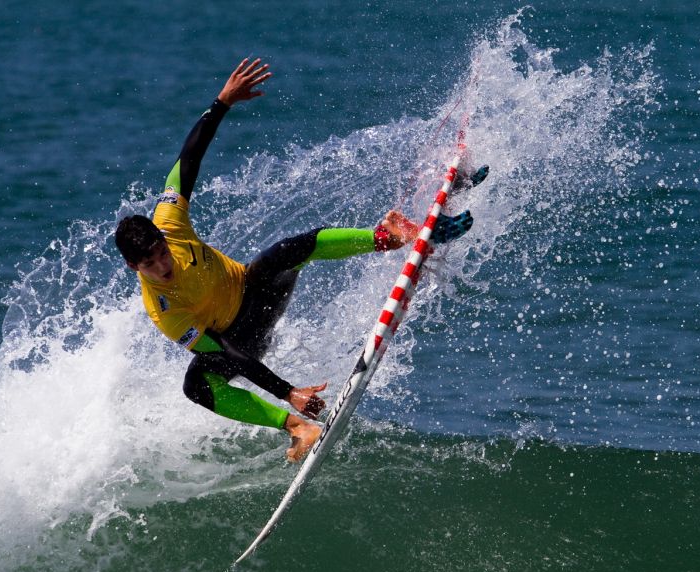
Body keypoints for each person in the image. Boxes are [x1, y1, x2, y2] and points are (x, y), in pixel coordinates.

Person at [114, 59, 482, 461]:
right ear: (135, 268)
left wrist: (221, 102)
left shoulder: (168, 222)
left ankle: (387, 235)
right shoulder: (163, 311)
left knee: (282, 252)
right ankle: (297, 429)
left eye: (162, 252)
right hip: (242, 340)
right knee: (197, 387)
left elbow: (189, 159)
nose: (163, 263)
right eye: (151, 263)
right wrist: (288, 394)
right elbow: (224, 352)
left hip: (258, 290)